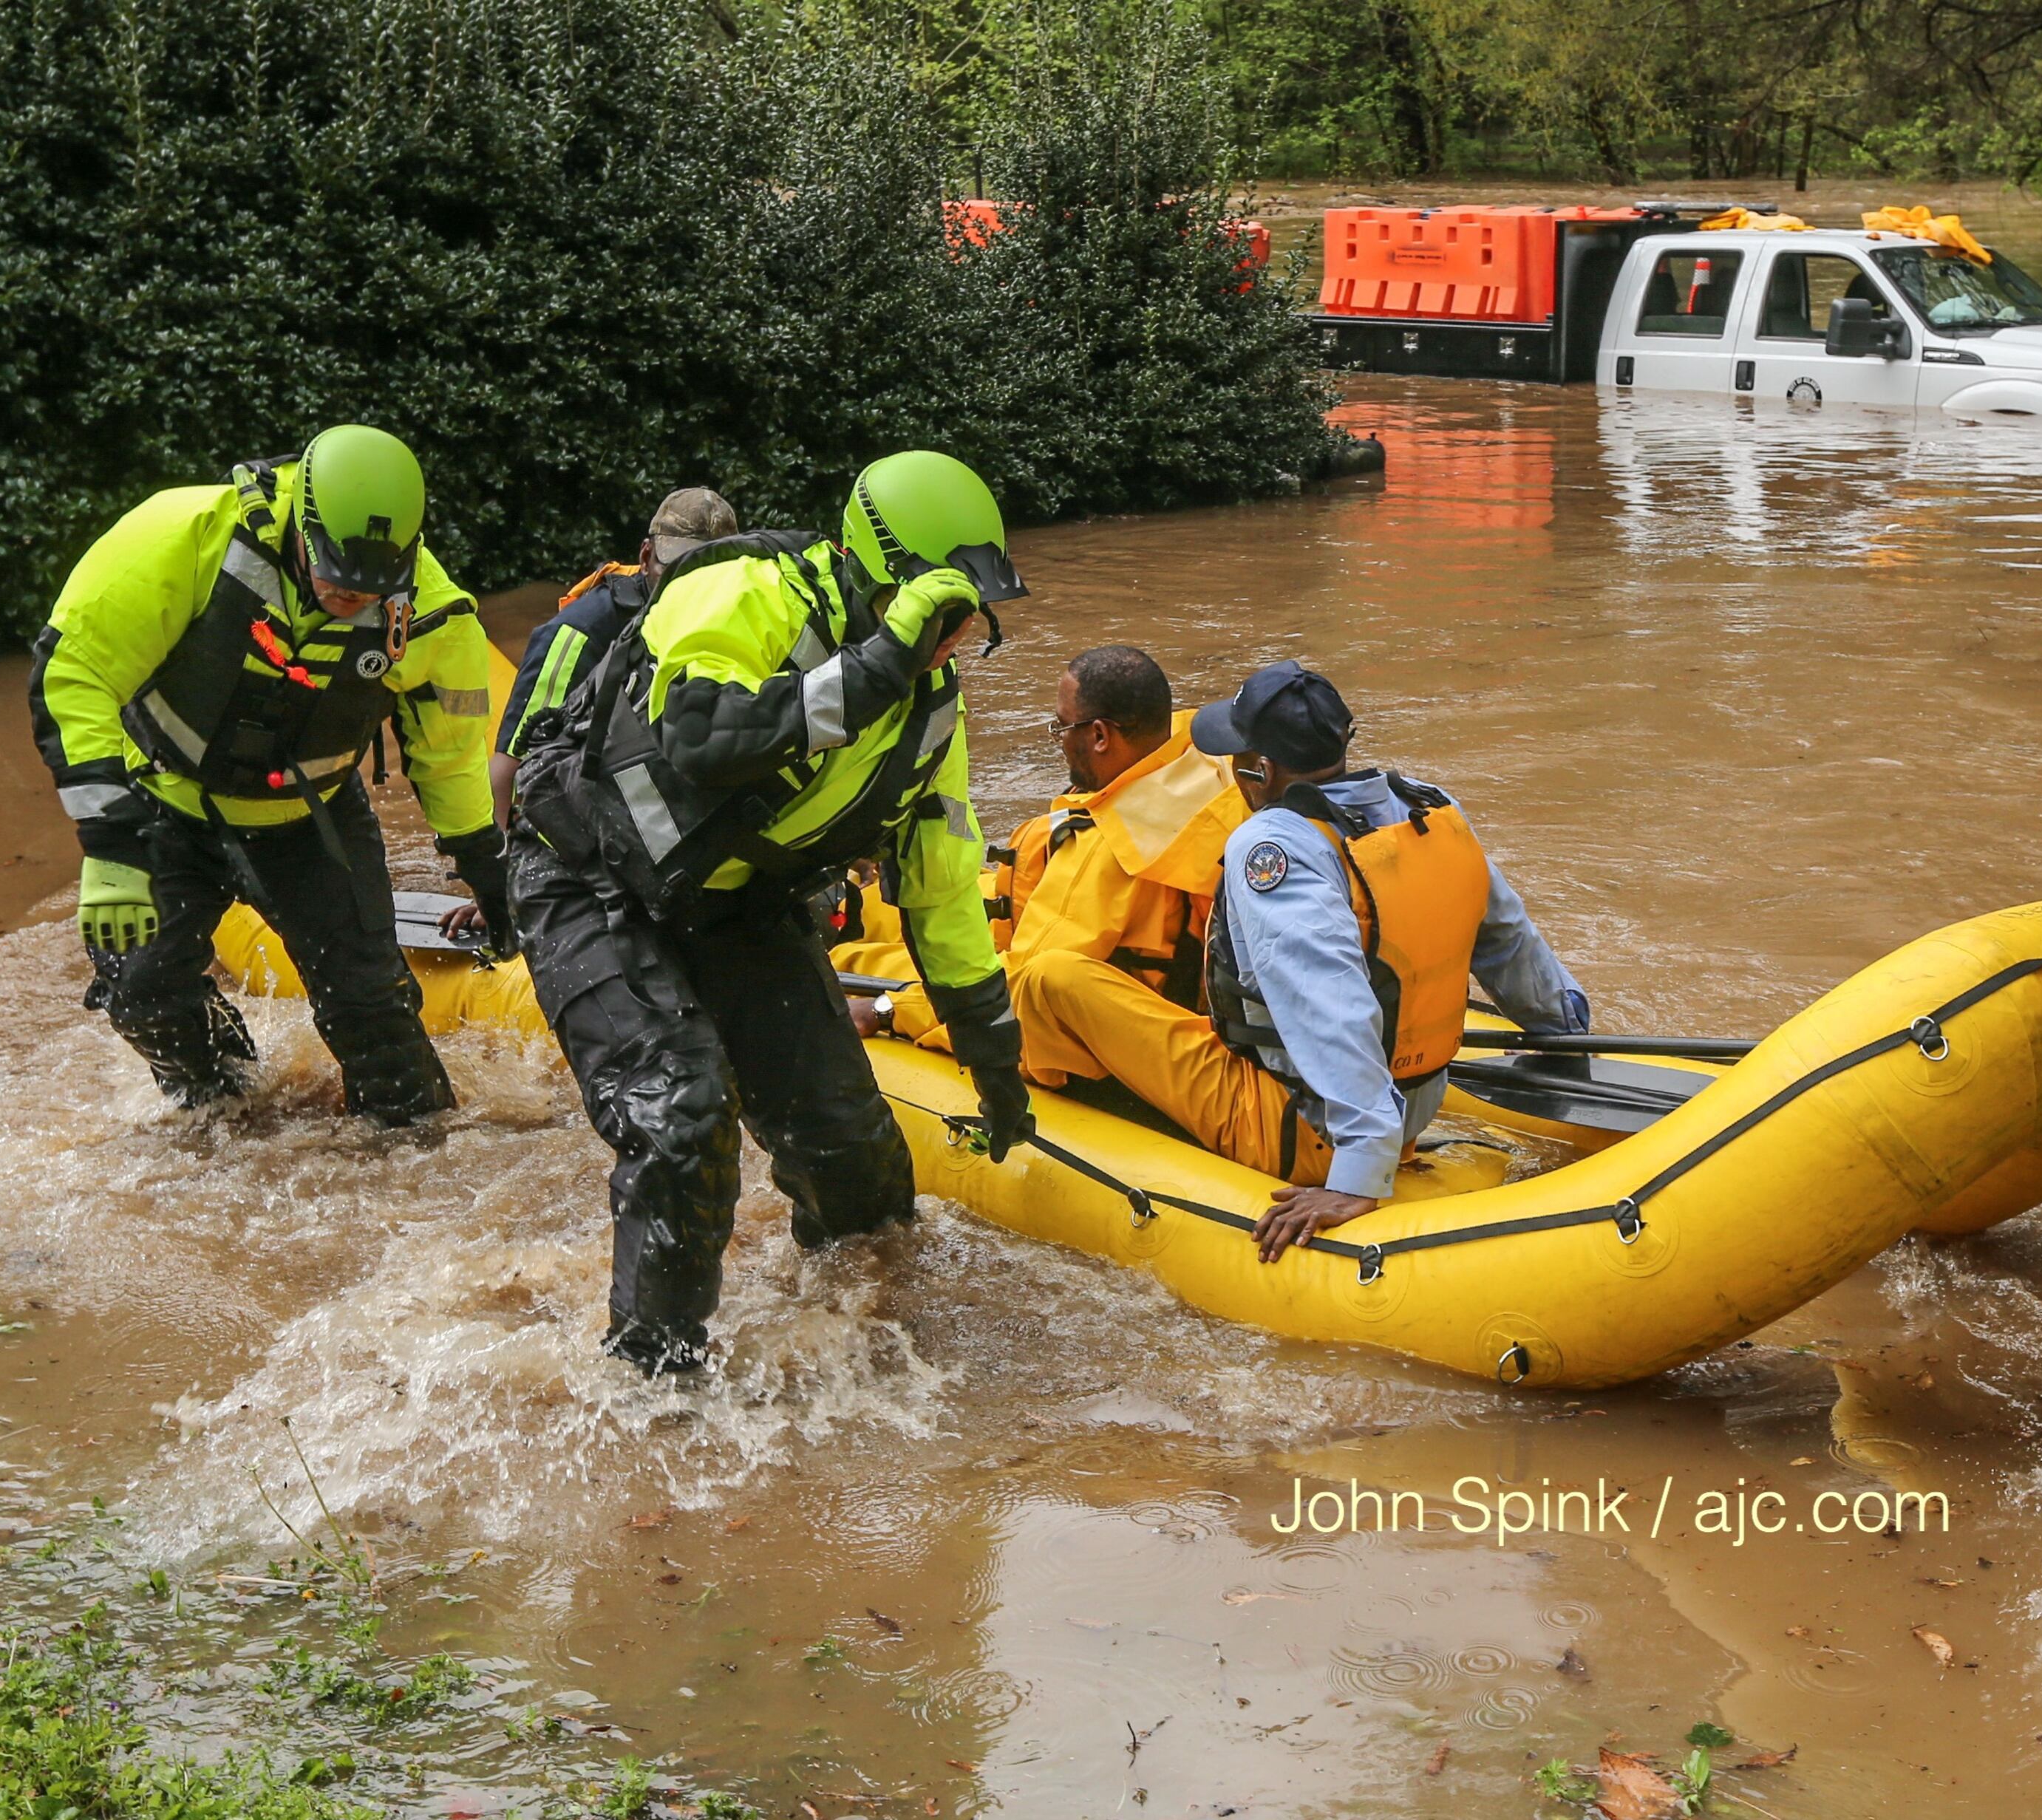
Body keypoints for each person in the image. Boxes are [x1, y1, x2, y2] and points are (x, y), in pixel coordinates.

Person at [508, 451, 1035, 1374]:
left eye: (965, 620)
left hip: (739, 903)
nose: (947, 639)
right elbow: (706, 736)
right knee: (684, 1117)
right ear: (880, 581)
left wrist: (996, 1067)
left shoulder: (931, 717)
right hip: (592, 877)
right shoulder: (743, 593)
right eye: (934, 612)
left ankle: (856, 1350)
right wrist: (882, 660)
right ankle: (650, 1386)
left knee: (853, 1152)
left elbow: (946, 899)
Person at [1007, 661, 1590, 1263]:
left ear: (1260, 769)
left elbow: (1328, 1002)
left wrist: (1356, 1172)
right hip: (1415, 1104)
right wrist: (1563, 1035)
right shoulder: (1427, 809)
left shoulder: (1273, 848)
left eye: (1237, 755)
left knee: (1053, 977)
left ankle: (1083, 1106)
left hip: (1295, 1130)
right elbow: (1508, 939)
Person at [28, 426, 508, 1124]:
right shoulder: (184, 536)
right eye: (336, 576)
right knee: (142, 993)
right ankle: (229, 1109)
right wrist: (111, 848)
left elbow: (451, 752)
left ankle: (413, 1156)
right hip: (164, 804)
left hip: (309, 827)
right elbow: (72, 674)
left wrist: (484, 868)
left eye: (371, 588)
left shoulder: (433, 615)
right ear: (303, 527)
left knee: (371, 1006)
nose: (351, 598)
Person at [851, 644, 1242, 1043]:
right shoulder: (1200, 755)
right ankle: (851, 908)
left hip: (1072, 1004)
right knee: (882, 907)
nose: (1058, 740)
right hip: (1044, 915)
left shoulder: (1103, 853)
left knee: (852, 960)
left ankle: (835, 938)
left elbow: (1018, 987)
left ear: (1101, 735)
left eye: (1061, 727)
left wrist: (886, 1010)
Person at [489, 487, 741, 828]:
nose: (690, 584)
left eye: (707, 571)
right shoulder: (581, 632)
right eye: (678, 567)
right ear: (646, 555)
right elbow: (510, 770)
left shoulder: (736, 621)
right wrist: (502, 867)